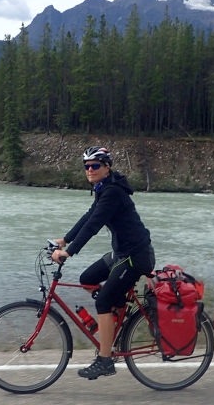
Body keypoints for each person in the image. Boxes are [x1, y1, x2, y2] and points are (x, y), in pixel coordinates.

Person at [51, 146, 155, 380]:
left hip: (135, 256)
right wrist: (65, 239)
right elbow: (89, 216)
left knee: (104, 301)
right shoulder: (103, 189)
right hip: (121, 253)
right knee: (87, 279)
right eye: (86, 166)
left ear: (106, 167)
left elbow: (94, 225)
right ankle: (116, 318)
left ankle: (105, 360)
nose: (90, 169)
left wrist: (69, 251)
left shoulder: (113, 192)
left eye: (95, 165)